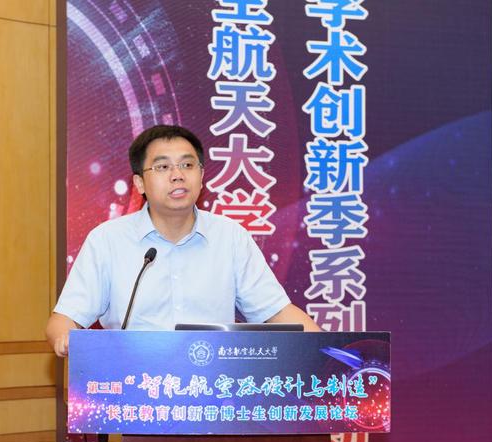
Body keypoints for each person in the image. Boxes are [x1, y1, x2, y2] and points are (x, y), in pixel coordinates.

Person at [46, 124, 320, 357]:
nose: (177, 175)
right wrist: (64, 339)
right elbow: (64, 319)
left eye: (187, 165)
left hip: (214, 386)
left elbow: (276, 312)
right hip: (133, 384)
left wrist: (329, 350)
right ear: (139, 184)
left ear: (201, 176)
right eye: (163, 166)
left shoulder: (230, 237)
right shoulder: (108, 240)